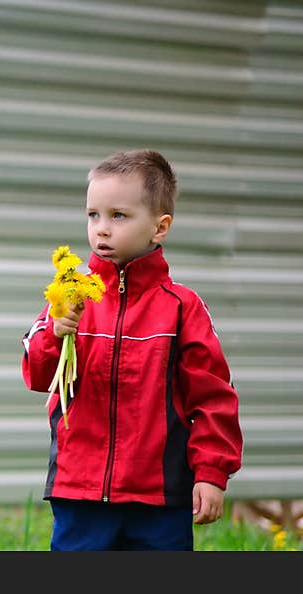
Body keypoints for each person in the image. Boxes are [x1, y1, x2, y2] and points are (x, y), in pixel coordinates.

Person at [21, 149, 243, 551]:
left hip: (159, 496)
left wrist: (211, 472)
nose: (101, 229)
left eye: (118, 216)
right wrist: (56, 332)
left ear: (160, 228)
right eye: (93, 215)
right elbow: (37, 375)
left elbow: (213, 398)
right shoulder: (70, 296)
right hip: (80, 490)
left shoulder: (182, 308)